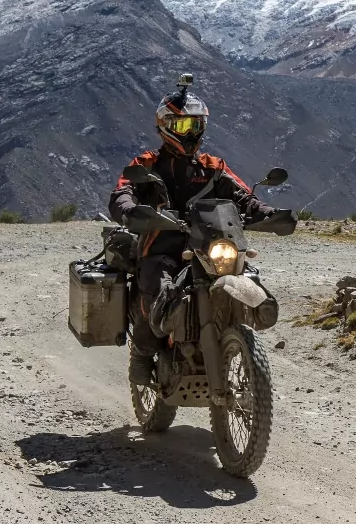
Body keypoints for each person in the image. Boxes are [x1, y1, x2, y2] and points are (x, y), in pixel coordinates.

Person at [109, 77, 275, 385]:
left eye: (197, 126)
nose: (192, 133)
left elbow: (241, 193)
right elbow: (123, 190)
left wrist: (265, 212)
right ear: (166, 126)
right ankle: (143, 353)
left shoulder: (212, 166)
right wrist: (129, 208)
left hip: (208, 244)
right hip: (161, 246)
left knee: (246, 272)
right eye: (186, 126)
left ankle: (240, 332)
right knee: (155, 286)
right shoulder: (147, 164)